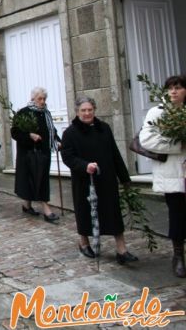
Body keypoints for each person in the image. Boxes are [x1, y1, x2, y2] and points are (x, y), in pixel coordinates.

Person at [61, 96, 137, 264]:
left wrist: (124, 178)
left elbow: (115, 154)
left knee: (113, 213)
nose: (87, 113)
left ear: (94, 110)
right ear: (77, 112)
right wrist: (84, 166)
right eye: (83, 110)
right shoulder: (70, 133)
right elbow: (67, 156)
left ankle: (121, 250)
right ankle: (84, 242)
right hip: (84, 181)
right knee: (85, 212)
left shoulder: (104, 128)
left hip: (107, 179)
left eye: (90, 110)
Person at [139, 74, 186, 276]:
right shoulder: (157, 113)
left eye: (178, 87)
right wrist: (178, 145)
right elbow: (146, 140)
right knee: (177, 216)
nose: (174, 91)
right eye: (170, 88)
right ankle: (178, 256)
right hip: (173, 174)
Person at [12, 87, 60, 222]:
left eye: (44, 99)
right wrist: (29, 136)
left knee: (39, 179)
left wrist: (57, 141)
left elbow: (51, 130)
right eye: (40, 98)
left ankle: (27, 205)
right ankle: (46, 210)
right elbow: (15, 132)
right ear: (33, 98)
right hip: (29, 153)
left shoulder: (46, 113)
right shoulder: (24, 113)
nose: (43, 101)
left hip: (43, 152)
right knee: (34, 179)